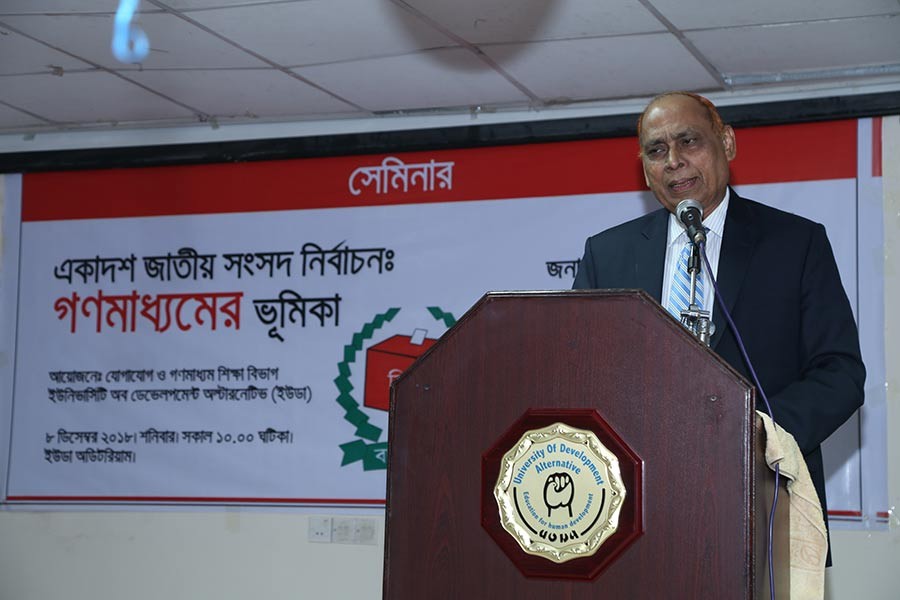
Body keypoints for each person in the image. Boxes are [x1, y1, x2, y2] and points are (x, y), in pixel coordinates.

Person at [573, 91, 865, 564]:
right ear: (643, 165)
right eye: (656, 150)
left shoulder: (795, 243)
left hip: (762, 505)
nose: (674, 161)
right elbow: (576, 373)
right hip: (631, 518)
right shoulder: (606, 255)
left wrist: (755, 432)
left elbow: (841, 374)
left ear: (726, 143)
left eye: (689, 141)